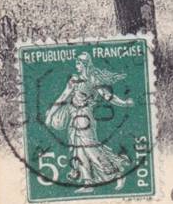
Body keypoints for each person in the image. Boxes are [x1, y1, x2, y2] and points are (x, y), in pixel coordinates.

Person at [45, 53, 134, 192]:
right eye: (76, 63)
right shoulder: (74, 80)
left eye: (79, 63)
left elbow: (108, 96)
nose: (77, 65)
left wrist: (123, 103)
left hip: (85, 119)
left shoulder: (93, 80)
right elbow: (63, 97)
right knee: (79, 151)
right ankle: (88, 183)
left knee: (91, 150)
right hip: (74, 119)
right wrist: (50, 115)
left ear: (86, 64)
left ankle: (116, 173)